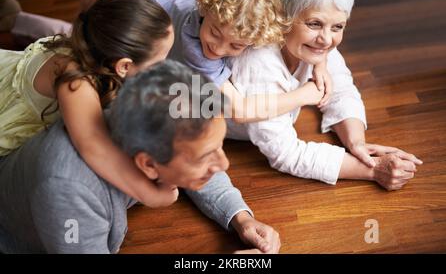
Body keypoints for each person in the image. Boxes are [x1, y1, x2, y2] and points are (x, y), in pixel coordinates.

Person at [0, 60, 280, 254]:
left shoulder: (144, 119)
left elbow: (196, 157)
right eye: (207, 156)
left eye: (219, 146)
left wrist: (241, 218)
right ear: (147, 164)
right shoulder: (66, 192)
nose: (224, 164)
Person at [1, 0, 333, 123]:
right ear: (205, 10)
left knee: (93, 17)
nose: (217, 48)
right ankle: (28, 20)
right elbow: (240, 110)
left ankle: (94, 1)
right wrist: (303, 95)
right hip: (138, 15)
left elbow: (293, 34)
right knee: (82, 44)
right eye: (215, 33)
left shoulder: (226, 16)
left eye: (237, 45)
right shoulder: (194, 48)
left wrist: (320, 60)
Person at [225, 0, 423, 190]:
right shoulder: (258, 62)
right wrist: (373, 169)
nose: (327, 40)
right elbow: (287, 154)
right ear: (284, 16)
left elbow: (340, 90)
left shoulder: (315, 46)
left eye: (337, 27)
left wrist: (357, 143)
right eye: (314, 24)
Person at [0, 0, 179, 208]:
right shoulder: (75, 82)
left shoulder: (95, 39)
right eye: (158, 63)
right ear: (123, 66)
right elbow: (94, 145)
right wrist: (150, 195)